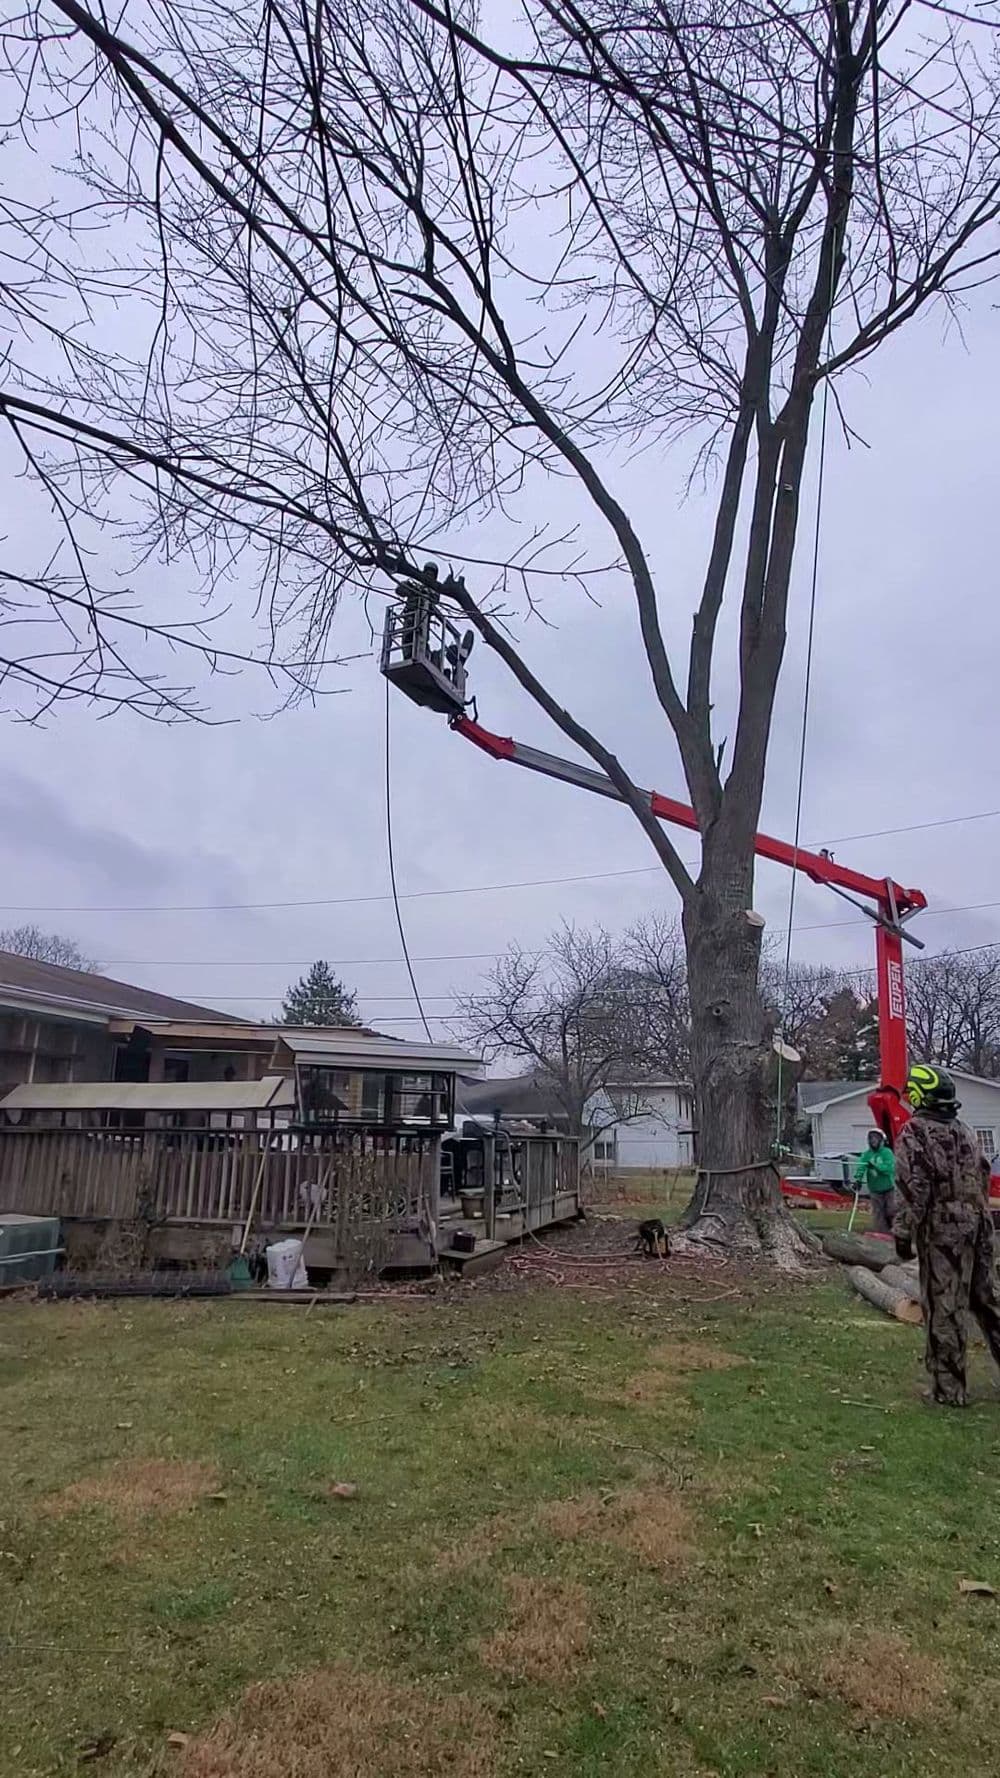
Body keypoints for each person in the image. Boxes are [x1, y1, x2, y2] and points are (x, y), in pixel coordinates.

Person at [893, 1062, 1000, 1407]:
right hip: (979, 1224)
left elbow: (915, 1188)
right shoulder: (965, 1130)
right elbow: (982, 1176)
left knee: (945, 1308)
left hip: (944, 1231)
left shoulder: (915, 1132)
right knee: (988, 1301)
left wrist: (902, 1231)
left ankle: (949, 1391)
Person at [853, 1128, 896, 1234]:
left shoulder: (887, 1153)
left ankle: (895, 1231)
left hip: (889, 1188)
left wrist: (876, 1166)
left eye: (876, 1138)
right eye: (871, 1138)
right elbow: (861, 1167)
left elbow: (889, 1169)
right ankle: (883, 1235)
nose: (873, 1141)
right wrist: (857, 1179)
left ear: (882, 1140)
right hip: (875, 1189)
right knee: (878, 1214)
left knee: (891, 1211)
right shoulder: (867, 1155)